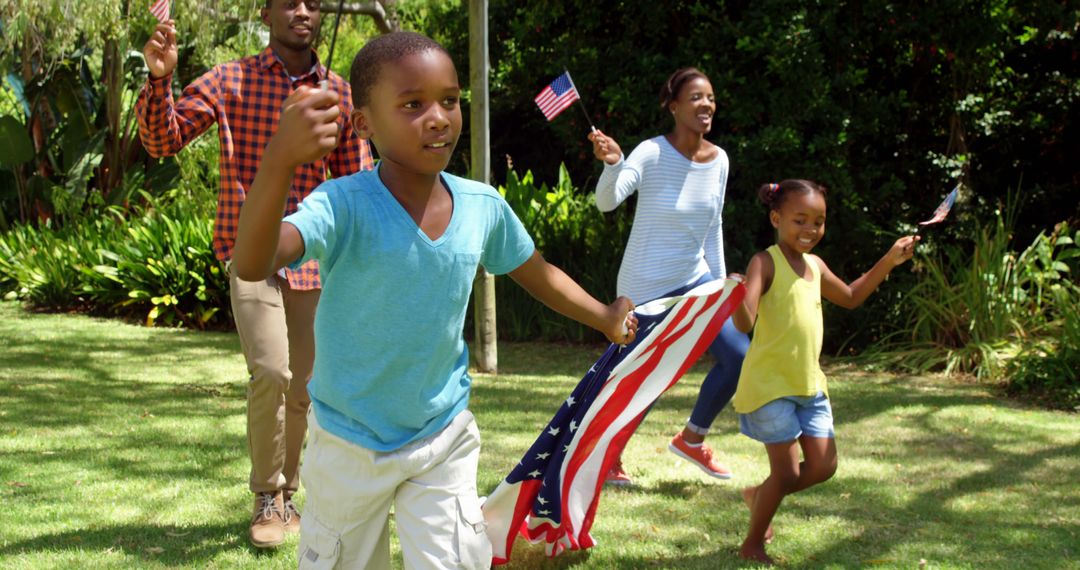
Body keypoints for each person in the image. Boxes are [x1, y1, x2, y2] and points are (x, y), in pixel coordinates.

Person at [231, 31, 638, 569]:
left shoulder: (480, 206)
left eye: (449, 100)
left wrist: (604, 316)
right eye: (412, 104)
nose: (439, 117)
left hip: (441, 436)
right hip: (349, 442)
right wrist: (280, 161)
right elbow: (254, 262)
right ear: (364, 124)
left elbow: (537, 273)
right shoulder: (342, 204)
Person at [136, 0, 373, 548]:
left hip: (312, 258)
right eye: (289, 2)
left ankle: (288, 494)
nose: (303, 11)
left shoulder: (338, 91)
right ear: (265, 14)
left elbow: (353, 184)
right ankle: (267, 494)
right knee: (272, 371)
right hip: (249, 257)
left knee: (306, 388)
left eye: (313, 3)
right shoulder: (230, 80)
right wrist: (159, 80)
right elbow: (161, 140)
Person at [730, 179, 919, 564]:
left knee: (823, 466)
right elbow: (745, 322)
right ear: (776, 218)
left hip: (809, 384)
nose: (810, 230)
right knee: (784, 474)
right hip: (769, 386)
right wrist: (734, 297)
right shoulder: (764, 262)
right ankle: (752, 544)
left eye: (818, 222)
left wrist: (890, 259)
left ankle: (760, 494)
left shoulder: (815, 266)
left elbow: (850, 297)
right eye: (800, 220)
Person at [587, 67, 749, 486]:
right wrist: (612, 164)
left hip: (696, 283)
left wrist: (719, 290)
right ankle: (608, 458)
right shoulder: (651, 153)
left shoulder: (720, 160)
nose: (706, 105)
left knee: (738, 356)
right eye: (695, 97)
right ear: (673, 106)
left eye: (710, 97)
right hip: (645, 287)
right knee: (643, 376)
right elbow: (607, 202)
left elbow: (712, 226)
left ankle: (692, 439)